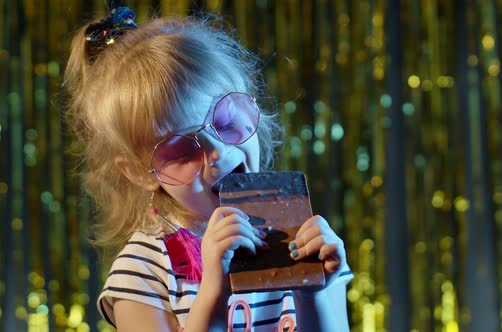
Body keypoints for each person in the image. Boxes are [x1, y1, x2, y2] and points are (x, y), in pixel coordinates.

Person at [64, 3, 352, 331]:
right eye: (182, 150)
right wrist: (215, 289)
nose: (217, 152)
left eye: (227, 121)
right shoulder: (143, 269)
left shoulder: (306, 237)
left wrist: (312, 291)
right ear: (138, 172)